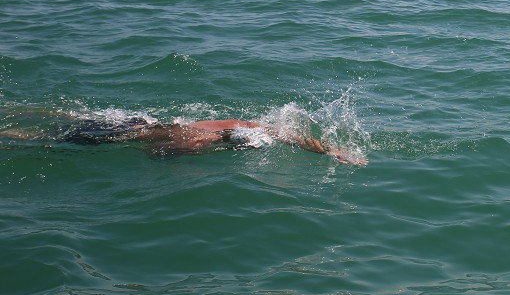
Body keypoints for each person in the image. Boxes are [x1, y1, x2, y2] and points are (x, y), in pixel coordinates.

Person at [0, 111, 367, 165]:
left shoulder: (232, 128)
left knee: (57, 129)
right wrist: (330, 151)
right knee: (41, 140)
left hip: (135, 124)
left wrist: (330, 150)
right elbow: (155, 152)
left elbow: (287, 134)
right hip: (123, 133)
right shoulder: (219, 135)